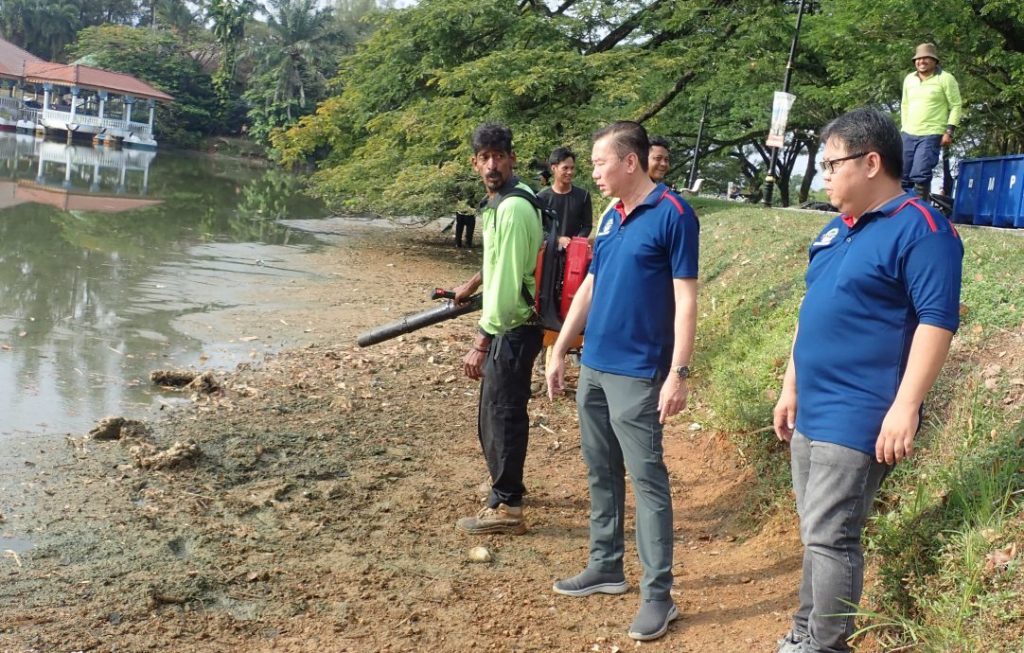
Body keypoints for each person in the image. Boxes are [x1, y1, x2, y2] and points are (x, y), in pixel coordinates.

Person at [772, 108, 963, 653]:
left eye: (831, 164)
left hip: (860, 411)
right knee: (816, 531)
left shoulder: (923, 229)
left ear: (871, 161)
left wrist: (905, 408)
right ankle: (805, 631)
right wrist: (791, 387)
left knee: (833, 536)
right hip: (813, 407)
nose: (824, 176)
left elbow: (937, 321)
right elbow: (812, 313)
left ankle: (825, 644)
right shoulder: (836, 230)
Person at [545, 121, 700, 642]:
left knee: (648, 481)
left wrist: (678, 372)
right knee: (600, 470)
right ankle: (605, 566)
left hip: (638, 373)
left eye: (599, 162)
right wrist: (561, 348)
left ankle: (659, 595)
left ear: (629, 161)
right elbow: (591, 283)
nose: (593, 172)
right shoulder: (612, 216)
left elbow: (686, 298)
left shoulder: (674, 215)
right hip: (595, 365)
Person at [451, 123, 544, 536]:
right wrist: (472, 284)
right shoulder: (504, 202)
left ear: (512, 159)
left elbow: (506, 289)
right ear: (475, 163)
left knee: (501, 415)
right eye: (484, 157)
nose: (492, 164)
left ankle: (507, 506)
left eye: (498, 156)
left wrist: (480, 341)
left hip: (513, 325)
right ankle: (506, 489)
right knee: (497, 411)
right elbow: (501, 262)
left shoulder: (511, 208)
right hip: (516, 324)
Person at [900, 42, 962, 199]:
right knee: (901, 174)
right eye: (918, 59)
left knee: (920, 173)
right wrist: (904, 127)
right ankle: (900, 212)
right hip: (908, 133)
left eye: (925, 58)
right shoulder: (909, 79)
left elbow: (956, 105)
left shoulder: (946, 79)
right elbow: (905, 104)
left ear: (934, 60)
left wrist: (949, 131)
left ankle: (921, 211)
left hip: (931, 133)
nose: (921, 62)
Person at [537, 147, 593, 250]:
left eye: (572, 168)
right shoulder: (541, 198)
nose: (570, 172)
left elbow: (587, 226)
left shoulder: (583, 196)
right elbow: (538, 229)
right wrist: (557, 239)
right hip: (549, 254)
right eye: (565, 168)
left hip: (575, 254)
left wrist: (576, 242)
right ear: (554, 168)